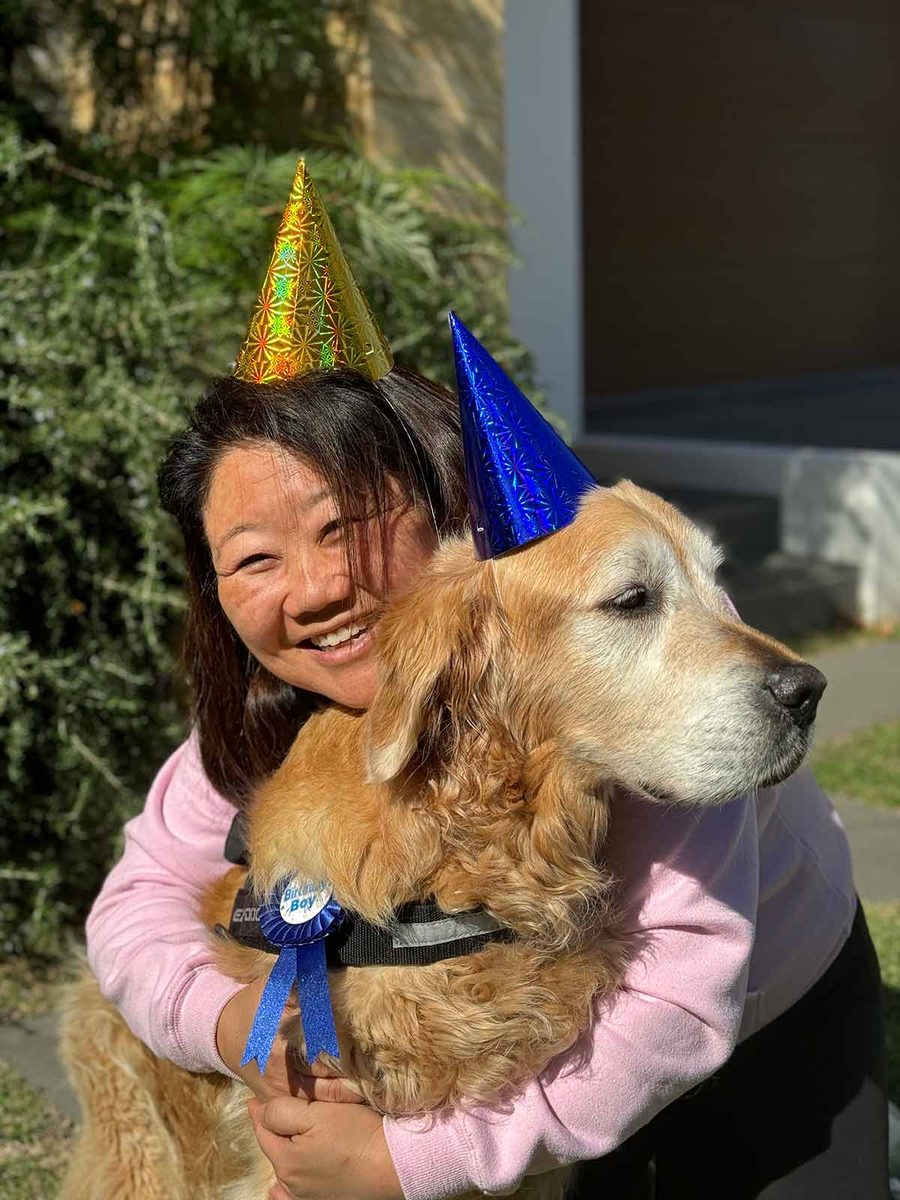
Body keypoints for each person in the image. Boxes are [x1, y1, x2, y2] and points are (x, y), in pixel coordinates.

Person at [84, 162, 888, 1200]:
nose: (318, 590)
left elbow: (679, 1003)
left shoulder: (620, 676)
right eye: (255, 560)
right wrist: (231, 1019)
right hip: (563, 1058)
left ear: (443, 508)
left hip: (764, 1005)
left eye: (346, 526)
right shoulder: (269, 706)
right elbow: (133, 908)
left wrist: (405, 1164)